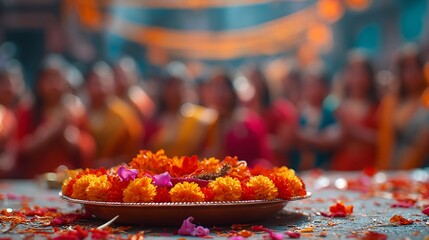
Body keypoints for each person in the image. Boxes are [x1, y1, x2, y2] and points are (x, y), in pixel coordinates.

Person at [16, 55, 94, 178]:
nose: (54, 84)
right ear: (39, 83)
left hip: (67, 181)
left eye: (58, 78)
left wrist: (72, 140)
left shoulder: (76, 111)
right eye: (49, 78)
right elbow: (20, 149)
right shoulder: (28, 111)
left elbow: (88, 148)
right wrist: (50, 131)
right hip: (34, 180)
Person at [144, 64, 218, 157]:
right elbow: (146, 153)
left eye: (179, 85)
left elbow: (210, 150)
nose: (175, 90)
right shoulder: (153, 122)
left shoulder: (201, 118)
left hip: (195, 170)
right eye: (170, 85)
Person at [377, 44, 429, 169]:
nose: (411, 74)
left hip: (421, 170)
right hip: (393, 168)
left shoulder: (426, 100)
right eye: (406, 68)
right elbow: (384, 142)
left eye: (415, 67)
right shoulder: (391, 102)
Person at [206, 71, 272, 167]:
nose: (219, 93)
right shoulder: (204, 123)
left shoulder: (250, 123)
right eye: (214, 87)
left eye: (223, 87)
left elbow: (263, 157)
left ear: (232, 91)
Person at [85, 62, 143, 167]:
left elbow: (132, 152)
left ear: (112, 84)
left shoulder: (123, 115)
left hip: (113, 174)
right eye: (96, 83)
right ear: (87, 85)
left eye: (104, 82)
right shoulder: (81, 112)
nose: (100, 88)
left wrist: (110, 163)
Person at [331, 51, 379, 171]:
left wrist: (354, 132)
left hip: (370, 170)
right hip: (342, 170)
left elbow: (385, 140)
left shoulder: (379, 107)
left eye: (362, 73)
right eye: (353, 72)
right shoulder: (337, 107)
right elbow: (330, 139)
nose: (358, 78)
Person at [293, 68, 337, 170]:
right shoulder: (299, 112)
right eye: (307, 85)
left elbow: (329, 141)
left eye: (314, 85)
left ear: (325, 88)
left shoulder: (331, 112)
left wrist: (300, 135)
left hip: (323, 170)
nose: (310, 89)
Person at [113, 56, 155, 122]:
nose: (121, 80)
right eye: (118, 75)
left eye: (124, 76)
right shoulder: (110, 96)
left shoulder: (138, 97)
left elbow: (148, 118)